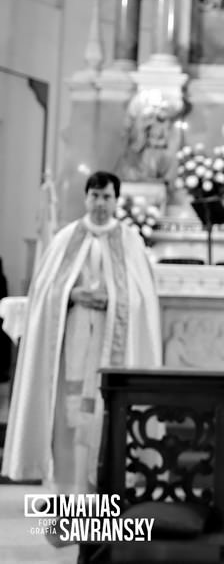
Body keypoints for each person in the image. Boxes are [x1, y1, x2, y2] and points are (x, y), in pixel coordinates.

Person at [1, 171, 162, 499]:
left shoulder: (130, 241)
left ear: (117, 200)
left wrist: (113, 299)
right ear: (85, 198)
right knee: (70, 411)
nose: (101, 203)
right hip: (73, 336)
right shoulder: (66, 238)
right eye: (95, 196)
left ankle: (105, 486)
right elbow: (44, 293)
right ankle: (68, 487)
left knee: (102, 408)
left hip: (108, 338)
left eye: (107, 197)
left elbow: (143, 298)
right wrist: (71, 296)